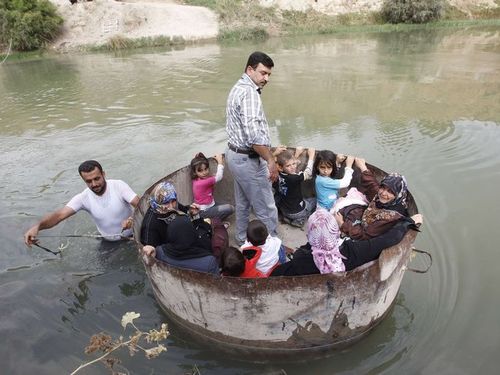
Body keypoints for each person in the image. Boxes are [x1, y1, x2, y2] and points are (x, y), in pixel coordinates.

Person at [225, 51, 279, 245]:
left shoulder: (238, 87)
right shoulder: (249, 93)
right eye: (263, 73)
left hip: (234, 156)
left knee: (243, 204)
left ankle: (241, 239)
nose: (266, 78)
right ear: (250, 69)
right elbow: (253, 137)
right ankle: (273, 247)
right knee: (266, 207)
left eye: (269, 75)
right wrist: (271, 160)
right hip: (248, 160)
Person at [270, 209, 423, 276]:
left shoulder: (302, 259)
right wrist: (407, 222)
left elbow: (277, 274)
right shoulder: (353, 251)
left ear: (310, 233)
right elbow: (388, 239)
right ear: (335, 231)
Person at [24, 160, 139, 245]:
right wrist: (37, 227)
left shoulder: (119, 186)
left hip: (134, 237)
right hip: (108, 242)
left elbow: (141, 206)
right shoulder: (83, 198)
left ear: (103, 174)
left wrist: (132, 219)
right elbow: (59, 216)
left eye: (97, 178)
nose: (94, 184)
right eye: (88, 181)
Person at [141, 182, 218, 274]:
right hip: (172, 253)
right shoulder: (150, 225)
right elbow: (150, 251)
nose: (171, 206)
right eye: (166, 203)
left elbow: (184, 210)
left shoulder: (173, 205)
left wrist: (191, 211)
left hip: (185, 241)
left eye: (173, 201)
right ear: (156, 203)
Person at [334, 157, 411, 240]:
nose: (383, 193)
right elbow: (372, 185)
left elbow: (364, 236)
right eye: (383, 187)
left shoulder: (390, 217)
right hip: (363, 221)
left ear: (397, 195)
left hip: (364, 237)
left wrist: (342, 224)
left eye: (390, 191)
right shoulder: (382, 198)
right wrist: (363, 167)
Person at [274, 147, 316, 227]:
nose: (293, 167)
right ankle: (299, 220)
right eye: (288, 166)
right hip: (297, 213)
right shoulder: (294, 178)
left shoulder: (278, 173)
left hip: (284, 209)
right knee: (314, 200)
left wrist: (296, 155)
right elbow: (308, 173)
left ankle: (287, 217)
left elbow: (290, 166)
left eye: (293, 164)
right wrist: (311, 156)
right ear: (280, 167)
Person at [190, 152, 234, 221]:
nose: (204, 172)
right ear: (195, 172)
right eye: (200, 171)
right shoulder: (203, 182)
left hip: (210, 205)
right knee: (230, 208)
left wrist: (200, 157)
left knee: (226, 207)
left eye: (206, 169)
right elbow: (219, 176)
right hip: (204, 211)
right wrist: (220, 162)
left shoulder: (196, 180)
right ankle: (212, 222)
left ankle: (211, 220)